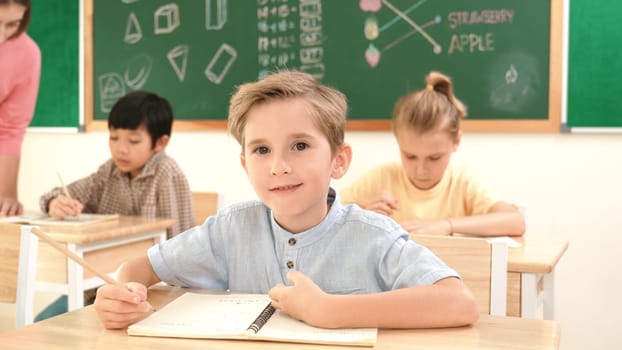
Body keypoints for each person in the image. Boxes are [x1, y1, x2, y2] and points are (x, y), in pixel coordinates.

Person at [93, 71, 479, 330]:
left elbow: (460, 303)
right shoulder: (231, 230)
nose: (278, 166)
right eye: (261, 150)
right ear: (245, 164)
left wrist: (331, 311)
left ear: (339, 160)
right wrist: (119, 293)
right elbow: (137, 269)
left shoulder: (373, 236)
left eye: (299, 145)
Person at [36, 90, 195, 321]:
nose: (121, 149)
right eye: (113, 137)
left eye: (133, 140)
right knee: (41, 324)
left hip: (146, 290)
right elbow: (59, 193)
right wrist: (54, 203)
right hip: (96, 285)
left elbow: (179, 246)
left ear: (160, 142)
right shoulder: (109, 171)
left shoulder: (167, 173)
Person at [340, 71, 525, 237]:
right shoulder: (381, 177)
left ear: (456, 141)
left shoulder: (464, 182)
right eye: (410, 156)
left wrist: (447, 225)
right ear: (398, 142)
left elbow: (515, 222)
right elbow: (321, 214)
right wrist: (362, 216)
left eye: (434, 158)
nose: (421, 170)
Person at [0, 0, 41, 216]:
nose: (1, 36)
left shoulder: (26, 54)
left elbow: (10, 130)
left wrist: (6, 198)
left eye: (12, 24)